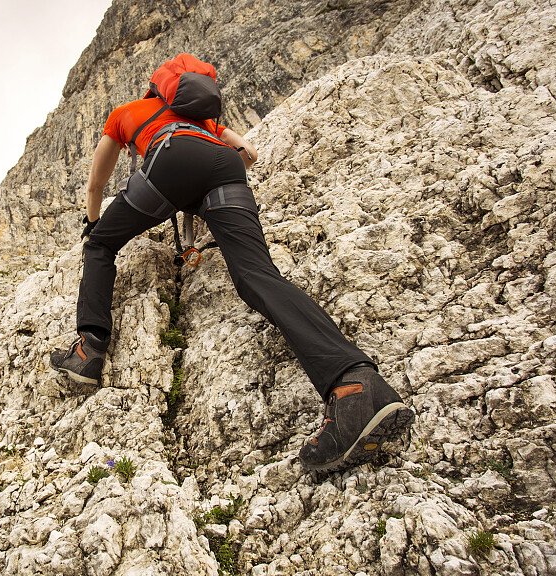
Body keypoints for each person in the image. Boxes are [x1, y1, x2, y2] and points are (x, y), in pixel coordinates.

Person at [51, 54, 413, 473]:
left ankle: (88, 349)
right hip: (224, 166)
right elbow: (248, 153)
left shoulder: (127, 112)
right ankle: (355, 385)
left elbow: (96, 182)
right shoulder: (205, 121)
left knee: (100, 246)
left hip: (170, 158)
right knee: (256, 275)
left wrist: (93, 222)